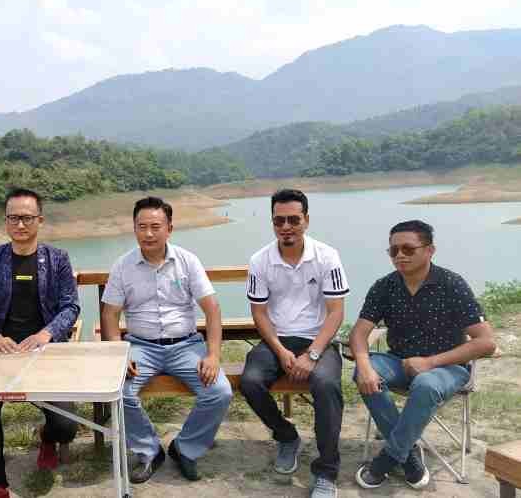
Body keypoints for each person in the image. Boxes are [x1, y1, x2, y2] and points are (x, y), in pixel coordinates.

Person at [350, 220, 495, 490]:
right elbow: (359, 333)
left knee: (426, 384)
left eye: (408, 248)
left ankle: (390, 457)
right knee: (363, 371)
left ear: (430, 250)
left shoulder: (451, 284)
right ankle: (408, 454)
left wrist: (429, 362)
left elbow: (486, 342)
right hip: (399, 362)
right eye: (393, 251)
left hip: (447, 368)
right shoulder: (385, 286)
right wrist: (364, 364)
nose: (400, 255)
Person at [101, 196, 233, 484]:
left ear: (169, 229)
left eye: (155, 226)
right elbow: (110, 314)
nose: (148, 233)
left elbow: (212, 310)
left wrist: (212, 356)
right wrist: (120, 355)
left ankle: (185, 448)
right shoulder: (123, 266)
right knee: (119, 391)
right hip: (140, 347)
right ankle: (149, 451)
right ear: (134, 228)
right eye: (141, 226)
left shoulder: (187, 261)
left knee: (220, 391)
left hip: (186, 345)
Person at [0, 188, 81, 498]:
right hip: (0, 349)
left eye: (27, 218)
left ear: (40, 220)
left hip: (45, 349)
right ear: (5, 222)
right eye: (14, 218)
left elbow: (70, 306)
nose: (20, 224)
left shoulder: (57, 258)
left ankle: (47, 437)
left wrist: (47, 334)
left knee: (66, 426)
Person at [240, 189, 348, 498]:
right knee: (250, 381)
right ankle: (286, 436)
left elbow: (336, 311)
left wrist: (312, 354)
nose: (286, 227)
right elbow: (259, 314)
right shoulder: (260, 260)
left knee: (327, 385)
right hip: (279, 340)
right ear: (272, 222)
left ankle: (326, 472)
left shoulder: (327, 256)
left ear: (306, 220)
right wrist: (281, 351)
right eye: (279, 221)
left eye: (293, 220)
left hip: (319, 339)